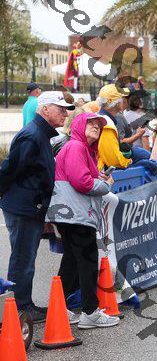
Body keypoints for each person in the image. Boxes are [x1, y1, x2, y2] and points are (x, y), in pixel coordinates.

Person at [0, 91, 74, 321]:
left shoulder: (40, 134)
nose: (65, 114)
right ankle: (19, 308)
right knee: (23, 259)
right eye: (60, 109)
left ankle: (22, 304)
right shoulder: (32, 135)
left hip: (29, 206)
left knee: (25, 258)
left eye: (66, 110)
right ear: (45, 109)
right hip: (23, 207)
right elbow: (10, 170)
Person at [47, 112, 120, 328]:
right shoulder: (76, 146)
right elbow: (82, 182)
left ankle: (60, 308)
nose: (96, 127)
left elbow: (81, 179)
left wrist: (98, 178)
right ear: (79, 125)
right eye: (91, 123)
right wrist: (105, 184)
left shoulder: (79, 148)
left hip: (71, 214)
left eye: (99, 125)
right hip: (76, 214)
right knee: (87, 262)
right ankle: (90, 312)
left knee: (71, 261)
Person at [96, 84, 133, 170]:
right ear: (116, 103)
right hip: (102, 173)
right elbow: (114, 161)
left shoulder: (99, 117)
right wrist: (128, 161)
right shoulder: (106, 124)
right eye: (122, 98)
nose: (124, 100)